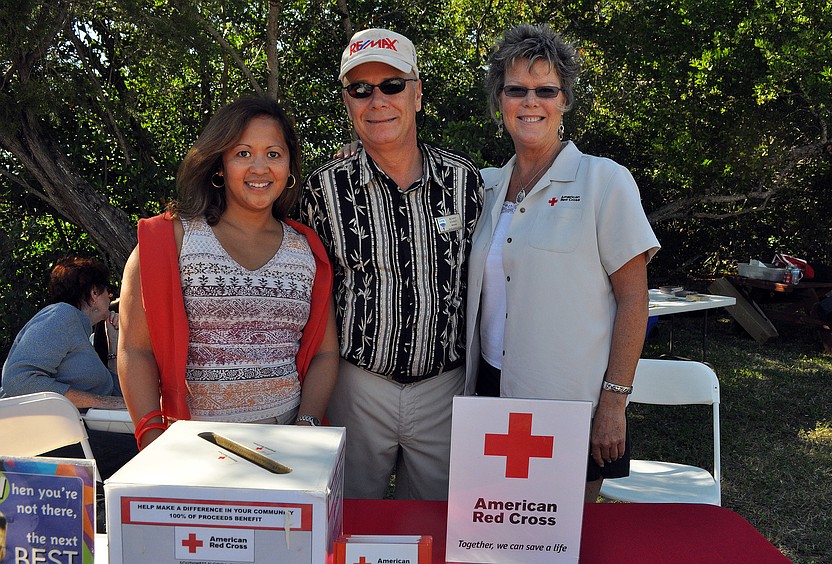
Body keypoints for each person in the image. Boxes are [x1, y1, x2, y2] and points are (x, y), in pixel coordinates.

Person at [465, 23, 660, 503]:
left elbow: (635, 298)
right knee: (493, 536)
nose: (530, 102)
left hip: (572, 403)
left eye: (545, 90)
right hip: (487, 391)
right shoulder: (483, 186)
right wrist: (361, 151)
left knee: (564, 540)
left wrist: (614, 402)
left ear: (564, 100)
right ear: (499, 100)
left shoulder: (604, 181)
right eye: (516, 90)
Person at [299, 28, 483, 500]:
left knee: (437, 528)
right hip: (357, 385)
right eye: (360, 89)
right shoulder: (322, 188)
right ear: (347, 102)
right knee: (346, 521)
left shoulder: (466, 181)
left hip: (446, 388)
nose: (376, 100)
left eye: (392, 85)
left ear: (418, 93)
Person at [119, 95, 338, 450]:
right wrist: (153, 442)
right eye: (242, 153)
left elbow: (326, 354)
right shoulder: (170, 240)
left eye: (273, 153)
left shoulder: (307, 249)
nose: (260, 168)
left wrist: (307, 425)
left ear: (289, 166)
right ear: (219, 164)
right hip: (192, 445)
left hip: (288, 444)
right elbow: (135, 348)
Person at [1, 257, 124, 409]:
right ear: (94, 293)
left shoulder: (79, 330)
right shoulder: (62, 315)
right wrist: (101, 402)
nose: (110, 296)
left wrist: (113, 345)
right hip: (53, 430)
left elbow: (116, 395)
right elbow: (17, 381)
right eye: (108, 290)